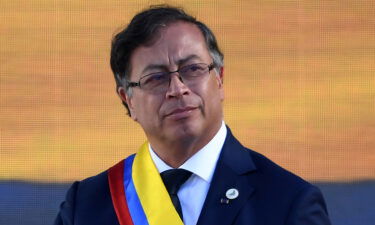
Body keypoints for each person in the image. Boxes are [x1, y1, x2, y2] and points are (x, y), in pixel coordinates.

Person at [54, 5, 331, 225]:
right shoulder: (87, 206)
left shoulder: (287, 201)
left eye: (193, 69)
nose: (178, 89)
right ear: (128, 100)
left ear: (219, 79)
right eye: (156, 78)